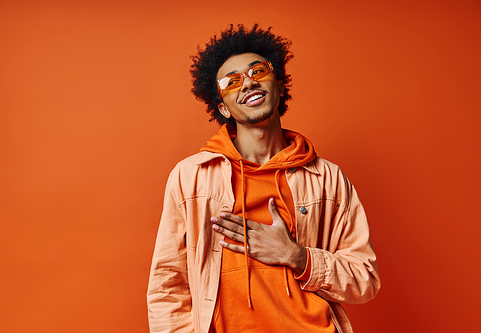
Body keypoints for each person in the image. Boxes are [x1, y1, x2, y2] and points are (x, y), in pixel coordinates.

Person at [147, 24, 380, 333]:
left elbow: (364, 279)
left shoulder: (327, 179)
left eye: (257, 72)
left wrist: (297, 256)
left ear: (280, 86)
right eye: (231, 82)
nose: (247, 84)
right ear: (222, 108)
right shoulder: (190, 178)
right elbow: (167, 286)